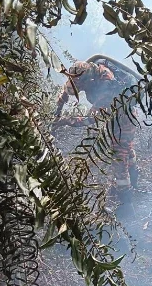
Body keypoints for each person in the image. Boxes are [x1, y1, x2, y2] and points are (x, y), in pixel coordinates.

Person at [54, 60, 139, 212]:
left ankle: (126, 203)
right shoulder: (81, 72)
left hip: (124, 118)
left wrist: (66, 120)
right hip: (112, 114)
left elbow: (90, 119)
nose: (79, 89)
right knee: (125, 148)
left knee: (119, 156)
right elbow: (67, 90)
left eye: (81, 87)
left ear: (90, 82)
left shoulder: (106, 85)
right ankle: (133, 179)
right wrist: (58, 110)